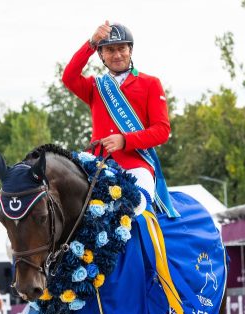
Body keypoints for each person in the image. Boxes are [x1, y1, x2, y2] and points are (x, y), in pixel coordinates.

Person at [62, 20, 176, 217]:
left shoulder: (150, 83)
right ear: (101, 54)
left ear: (130, 50)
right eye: (110, 50)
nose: (116, 55)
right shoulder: (95, 86)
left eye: (121, 48)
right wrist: (91, 43)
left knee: (138, 211)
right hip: (97, 165)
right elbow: (69, 77)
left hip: (136, 165)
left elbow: (162, 130)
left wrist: (126, 140)